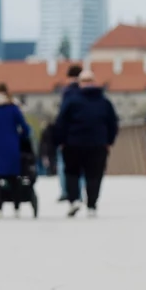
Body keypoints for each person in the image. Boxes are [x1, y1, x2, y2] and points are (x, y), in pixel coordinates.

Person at [53, 69, 119, 218]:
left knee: (71, 173)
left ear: (80, 84)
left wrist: (60, 141)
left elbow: (61, 122)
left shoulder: (71, 100)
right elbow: (112, 123)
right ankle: (92, 205)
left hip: (73, 143)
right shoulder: (104, 101)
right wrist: (109, 141)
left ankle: (74, 199)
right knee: (94, 175)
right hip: (97, 143)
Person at [0, 83, 32, 186]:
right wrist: (20, 137)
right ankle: (16, 199)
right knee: (13, 175)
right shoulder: (13, 108)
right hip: (12, 146)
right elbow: (25, 128)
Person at [55, 64, 84, 201]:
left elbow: (62, 117)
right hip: (84, 134)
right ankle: (81, 193)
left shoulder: (67, 92)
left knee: (64, 165)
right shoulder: (86, 91)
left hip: (69, 136)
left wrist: (59, 137)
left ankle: (66, 191)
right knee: (83, 166)